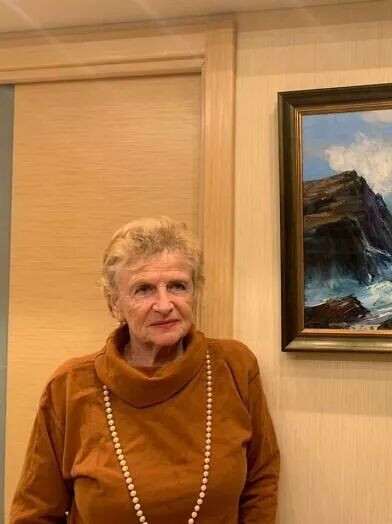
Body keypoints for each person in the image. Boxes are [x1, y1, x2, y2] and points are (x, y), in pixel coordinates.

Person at [9, 216, 280, 523]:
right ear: (115, 304)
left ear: (195, 292)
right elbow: (35, 512)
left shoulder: (234, 366)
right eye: (144, 289)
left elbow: (261, 481)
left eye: (178, 286)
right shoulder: (69, 387)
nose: (164, 305)